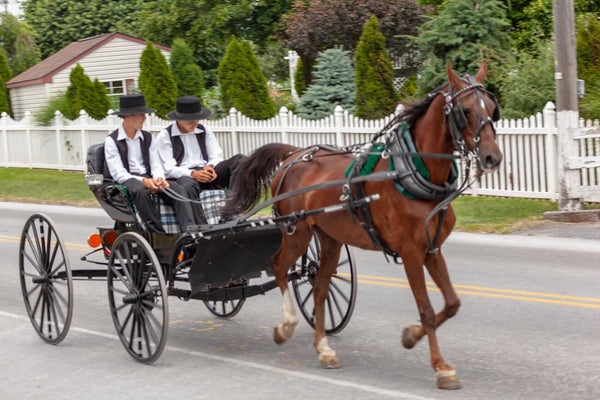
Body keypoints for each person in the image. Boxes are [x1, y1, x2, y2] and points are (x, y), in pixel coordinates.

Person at [104, 94, 196, 233]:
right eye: (141, 114)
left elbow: (155, 164)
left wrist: (159, 179)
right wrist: (145, 181)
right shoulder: (112, 141)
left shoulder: (148, 138)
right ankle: (157, 233)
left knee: (178, 189)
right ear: (128, 116)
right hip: (128, 180)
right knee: (140, 190)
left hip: (149, 177)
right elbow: (119, 173)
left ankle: (190, 231)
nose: (145, 118)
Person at [155, 96, 246, 225]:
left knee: (240, 160)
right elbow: (168, 168)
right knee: (187, 186)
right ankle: (201, 226)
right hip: (185, 175)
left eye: (197, 119)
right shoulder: (165, 136)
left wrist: (210, 167)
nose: (195, 123)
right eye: (191, 120)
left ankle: (231, 210)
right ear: (179, 120)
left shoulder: (204, 130)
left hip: (207, 172)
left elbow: (216, 155)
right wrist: (193, 174)